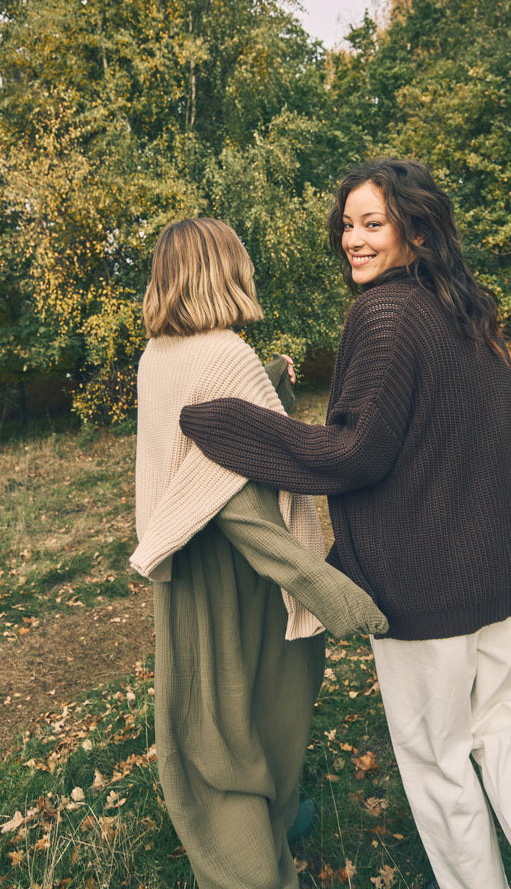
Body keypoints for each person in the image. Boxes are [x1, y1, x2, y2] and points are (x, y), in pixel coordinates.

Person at [179, 161, 511, 889]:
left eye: (373, 224)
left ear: (417, 232)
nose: (353, 240)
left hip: (425, 583)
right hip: (503, 573)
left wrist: (229, 424)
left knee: (436, 759)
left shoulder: (385, 313)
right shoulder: (464, 309)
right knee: (501, 726)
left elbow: (352, 452)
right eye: (347, 224)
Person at [130, 217, 388, 889]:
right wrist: (327, 591)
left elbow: (211, 445)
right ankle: (250, 866)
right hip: (240, 572)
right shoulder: (224, 355)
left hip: (185, 564)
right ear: (224, 270)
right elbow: (238, 503)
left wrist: (269, 380)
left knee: (214, 714)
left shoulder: (158, 353)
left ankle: (272, 820)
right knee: (256, 716)